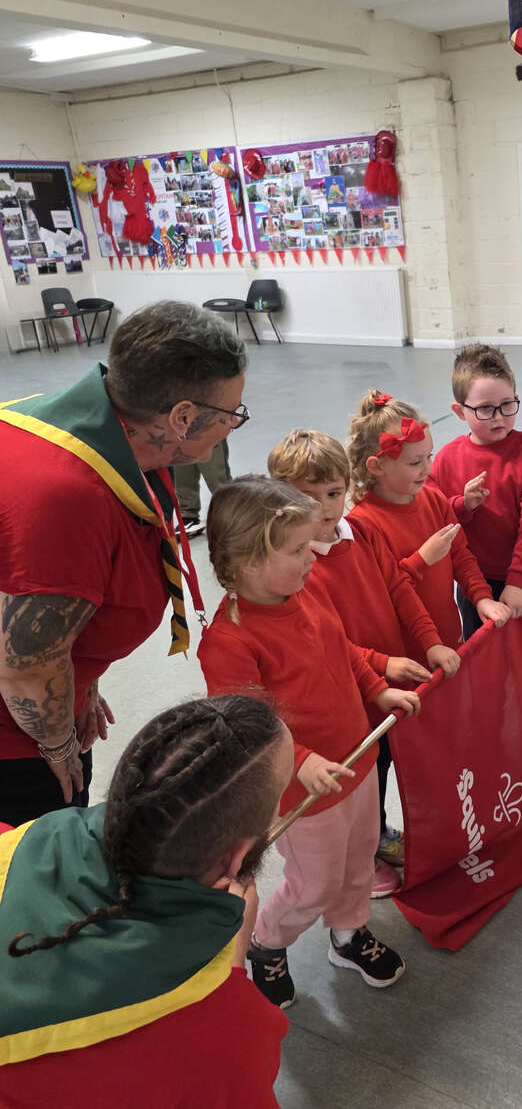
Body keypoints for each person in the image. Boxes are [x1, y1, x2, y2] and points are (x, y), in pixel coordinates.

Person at [0, 300, 249, 828]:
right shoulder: (68, 497)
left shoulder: (92, 430)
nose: (231, 428)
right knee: (36, 871)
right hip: (14, 746)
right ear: (182, 417)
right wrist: (58, 738)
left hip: (45, 688)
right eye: (231, 415)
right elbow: (26, 665)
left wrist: (81, 675)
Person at [0, 695, 292, 1108]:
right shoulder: (228, 1037)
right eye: (280, 796)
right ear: (236, 857)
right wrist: (232, 964)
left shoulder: (17, 839)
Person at [198, 476, 420, 1007]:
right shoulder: (229, 640)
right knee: (314, 882)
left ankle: (348, 937)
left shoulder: (307, 588)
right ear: (248, 561)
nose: (311, 558)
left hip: (357, 761)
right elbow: (248, 728)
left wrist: (376, 687)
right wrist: (300, 762)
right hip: (306, 791)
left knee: (360, 860)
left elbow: (341, 649)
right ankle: (267, 942)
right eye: (297, 550)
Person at [268, 429, 460, 885]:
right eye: (306, 498)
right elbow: (325, 640)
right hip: (348, 694)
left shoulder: (364, 530)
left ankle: (373, 833)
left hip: (383, 688)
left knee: (387, 762)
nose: (323, 508)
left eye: (333, 493)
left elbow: (398, 589)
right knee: (362, 769)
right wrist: (380, 664)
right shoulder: (297, 565)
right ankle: (362, 857)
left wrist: (429, 640)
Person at [345, 391, 511, 652]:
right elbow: (379, 596)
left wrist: (482, 598)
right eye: (414, 462)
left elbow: (461, 556)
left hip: (447, 637)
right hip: (404, 653)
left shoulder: (434, 500)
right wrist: (423, 559)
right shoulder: (362, 525)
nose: (427, 469)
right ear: (376, 467)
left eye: (428, 457)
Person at [428, 344, 522, 676]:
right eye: (485, 409)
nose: (498, 417)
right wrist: (462, 505)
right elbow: (435, 516)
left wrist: (517, 581)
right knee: (481, 664)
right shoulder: (446, 459)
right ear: (459, 411)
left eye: (507, 405)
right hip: (475, 586)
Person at [175, 439, 233, 537]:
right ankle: (189, 516)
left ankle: (232, 512)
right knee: (180, 459)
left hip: (205, 426)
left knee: (215, 473)